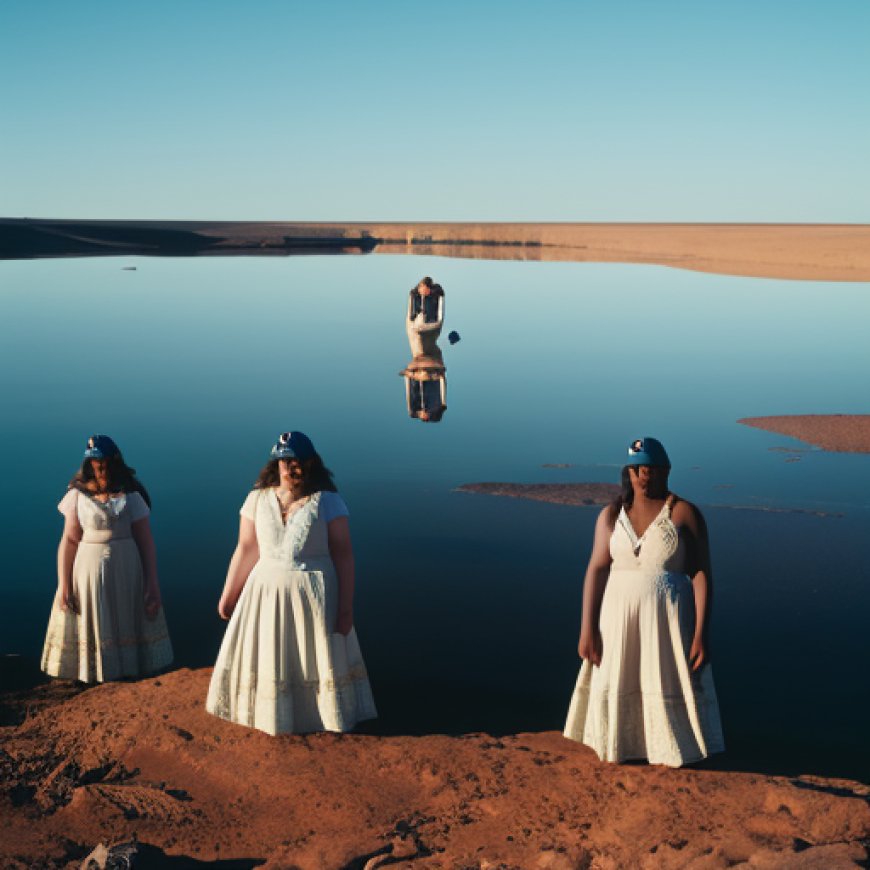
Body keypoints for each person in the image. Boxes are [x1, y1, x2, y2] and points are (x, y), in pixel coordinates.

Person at [563, 437, 724, 766]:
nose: (643, 476)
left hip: (665, 626)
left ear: (665, 471)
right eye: (636, 469)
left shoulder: (684, 513)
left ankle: (671, 750)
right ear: (629, 472)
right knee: (618, 679)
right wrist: (587, 630)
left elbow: (701, 574)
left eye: (649, 469)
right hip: (616, 623)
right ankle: (619, 745)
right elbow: (596, 569)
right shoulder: (611, 515)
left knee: (663, 682)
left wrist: (701, 635)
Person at [206, 430, 377, 735]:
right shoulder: (256, 499)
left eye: (297, 461)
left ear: (311, 463)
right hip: (265, 593)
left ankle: (319, 717)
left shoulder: (328, 501)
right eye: (284, 461)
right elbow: (246, 548)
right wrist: (228, 594)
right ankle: (272, 715)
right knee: (271, 655)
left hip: (313, 596)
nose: (290, 467)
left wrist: (346, 609)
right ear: (276, 465)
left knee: (313, 657)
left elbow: (344, 555)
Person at [41, 435, 173, 682]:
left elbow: (146, 540)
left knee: (125, 618)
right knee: (94, 618)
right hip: (88, 566)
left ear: (114, 460)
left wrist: (152, 583)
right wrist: (64, 584)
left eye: (103, 460)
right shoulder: (78, 495)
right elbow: (69, 540)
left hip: (126, 566)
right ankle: (93, 675)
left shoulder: (131, 494)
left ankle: (127, 673)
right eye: (94, 461)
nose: (99, 466)